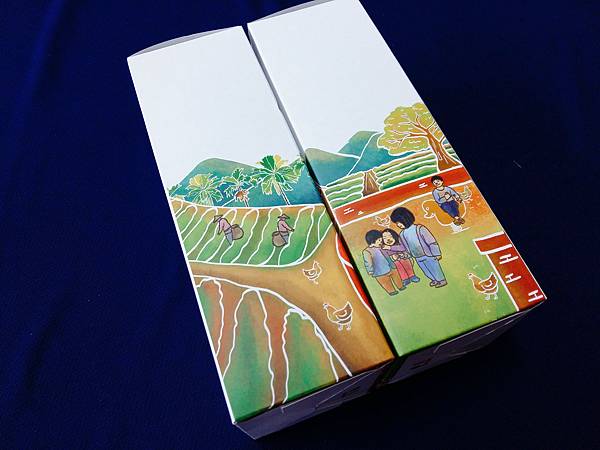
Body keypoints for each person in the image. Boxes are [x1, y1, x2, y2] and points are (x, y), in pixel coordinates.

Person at [390, 207, 447, 288]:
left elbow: (431, 242)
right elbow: (405, 247)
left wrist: (436, 253)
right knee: (425, 270)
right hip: (417, 256)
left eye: (399, 222)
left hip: (428, 254)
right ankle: (434, 279)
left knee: (434, 268)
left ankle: (441, 280)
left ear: (406, 219)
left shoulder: (419, 228)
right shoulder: (402, 234)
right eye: (396, 223)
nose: (398, 225)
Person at [363, 230, 405, 295]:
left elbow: (389, 253)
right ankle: (391, 291)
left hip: (391, 266)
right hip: (379, 272)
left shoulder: (382, 247)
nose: (381, 241)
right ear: (372, 241)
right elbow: (368, 262)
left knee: (397, 277)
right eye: (379, 240)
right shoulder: (367, 251)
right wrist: (370, 270)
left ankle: (401, 286)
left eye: (381, 240)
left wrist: (396, 255)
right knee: (385, 282)